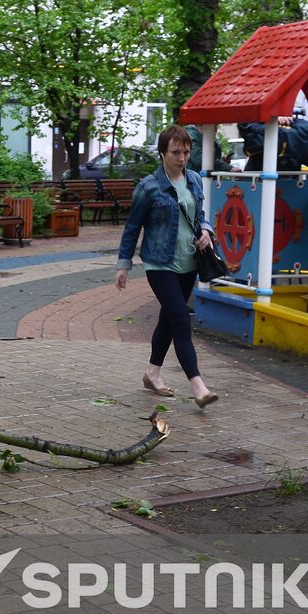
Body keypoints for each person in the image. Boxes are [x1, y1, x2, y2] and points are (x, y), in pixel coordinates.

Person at [114, 124, 219, 408]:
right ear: (162, 153)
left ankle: (152, 374)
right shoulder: (148, 187)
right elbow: (132, 227)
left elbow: (201, 216)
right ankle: (198, 387)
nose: (182, 158)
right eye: (176, 152)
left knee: (168, 320)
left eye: (186, 151)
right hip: (159, 264)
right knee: (181, 320)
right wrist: (124, 264)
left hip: (189, 263)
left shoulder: (194, 180)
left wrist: (207, 231)